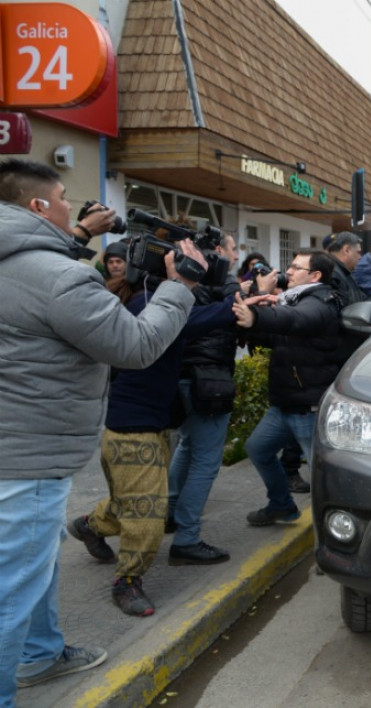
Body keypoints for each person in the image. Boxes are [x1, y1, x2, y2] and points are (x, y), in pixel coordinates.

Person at [0, 159, 200, 701]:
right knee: (13, 588)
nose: (75, 208)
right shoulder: (60, 277)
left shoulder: (24, 264)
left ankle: (42, 655)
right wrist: (178, 287)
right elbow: (134, 347)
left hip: (15, 443)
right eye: (65, 197)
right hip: (30, 453)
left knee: (31, 567)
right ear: (39, 206)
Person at [70, 251, 234, 616]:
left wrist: (239, 299)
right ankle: (127, 582)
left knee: (133, 501)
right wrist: (234, 302)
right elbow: (196, 319)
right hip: (133, 428)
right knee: (147, 514)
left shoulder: (151, 300)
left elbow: (197, 319)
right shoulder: (147, 302)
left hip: (147, 424)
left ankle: (89, 525)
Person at [233, 249, 344, 526]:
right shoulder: (294, 299)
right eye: (290, 266)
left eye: (296, 268)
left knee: (323, 478)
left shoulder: (321, 301)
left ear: (315, 275)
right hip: (285, 403)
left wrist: (258, 317)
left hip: (308, 408)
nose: (289, 272)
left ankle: (338, 530)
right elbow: (274, 337)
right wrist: (255, 316)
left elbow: (297, 320)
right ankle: (281, 504)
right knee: (258, 449)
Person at [167, 231, 242, 564]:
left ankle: (169, 511)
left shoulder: (184, 285)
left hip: (187, 378)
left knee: (187, 446)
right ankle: (186, 538)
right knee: (205, 462)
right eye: (231, 251)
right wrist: (234, 289)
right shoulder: (204, 289)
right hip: (206, 381)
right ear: (216, 254)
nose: (236, 258)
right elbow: (227, 314)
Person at [323, 231, 368, 306]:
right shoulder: (332, 275)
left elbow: (361, 301)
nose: (360, 257)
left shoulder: (346, 272)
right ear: (346, 250)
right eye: (358, 252)